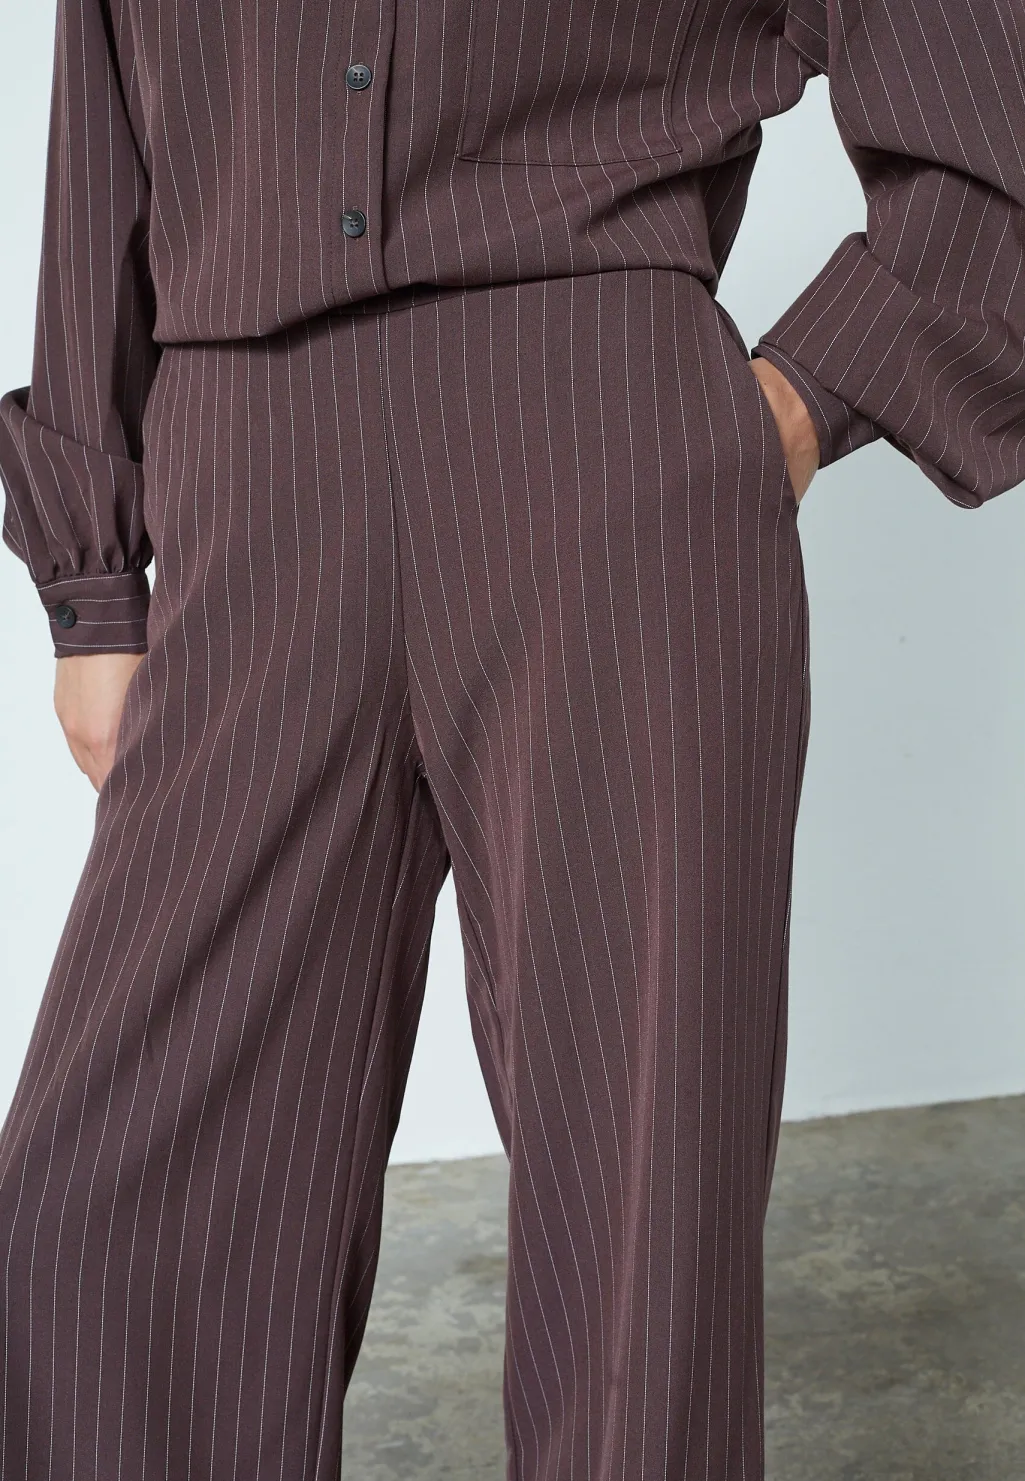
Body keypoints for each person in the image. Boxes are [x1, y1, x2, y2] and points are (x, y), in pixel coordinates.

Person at [0, 0, 1021, 1476]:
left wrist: (794, 407)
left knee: (635, 1221)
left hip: (603, 439)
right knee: (90, 1226)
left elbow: (985, 111)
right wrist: (92, 579)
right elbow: (103, 101)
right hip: (247, 480)